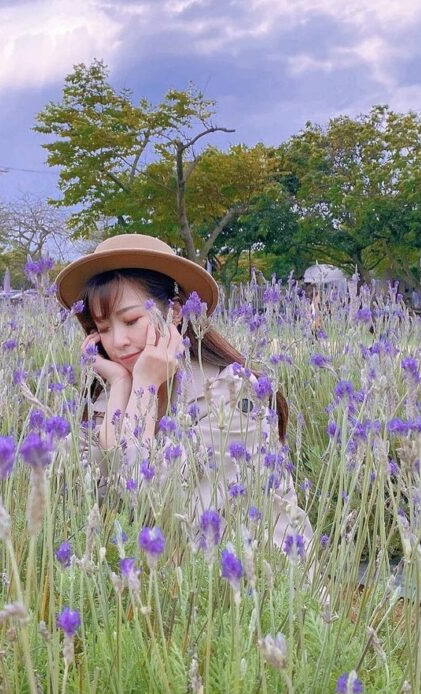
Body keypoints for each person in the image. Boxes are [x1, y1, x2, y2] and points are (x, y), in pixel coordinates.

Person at [55, 234, 313, 553]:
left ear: (175, 313)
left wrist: (145, 388)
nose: (118, 340)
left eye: (131, 320)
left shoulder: (231, 393)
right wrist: (122, 386)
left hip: (253, 579)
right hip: (162, 579)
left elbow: (156, 508)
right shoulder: (114, 389)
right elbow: (83, 492)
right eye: (104, 328)